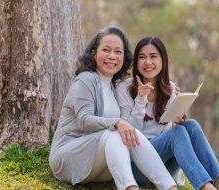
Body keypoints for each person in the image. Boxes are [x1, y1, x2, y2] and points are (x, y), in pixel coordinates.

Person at [49, 26, 177, 190]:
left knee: (130, 132)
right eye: (106, 50)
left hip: (99, 164)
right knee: (118, 132)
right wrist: (117, 122)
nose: (112, 56)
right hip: (68, 158)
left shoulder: (113, 87)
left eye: (118, 52)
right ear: (94, 53)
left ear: (124, 58)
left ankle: (169, 187)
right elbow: (84, 120)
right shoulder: (85, 80)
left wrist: (168, 90)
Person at [116, 36, 219, 190]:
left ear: (163, 60)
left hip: (163, 167)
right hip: (137, 165)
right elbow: (131, 135)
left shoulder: (169, 89)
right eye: (142, 57)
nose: (148, 62)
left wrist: (176, 120)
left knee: (190, 125)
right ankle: (205, 187)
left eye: (153, 57)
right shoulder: (124, 88)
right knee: (177, 133)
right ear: (136, 62)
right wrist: (140, 99)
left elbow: (165, 134)